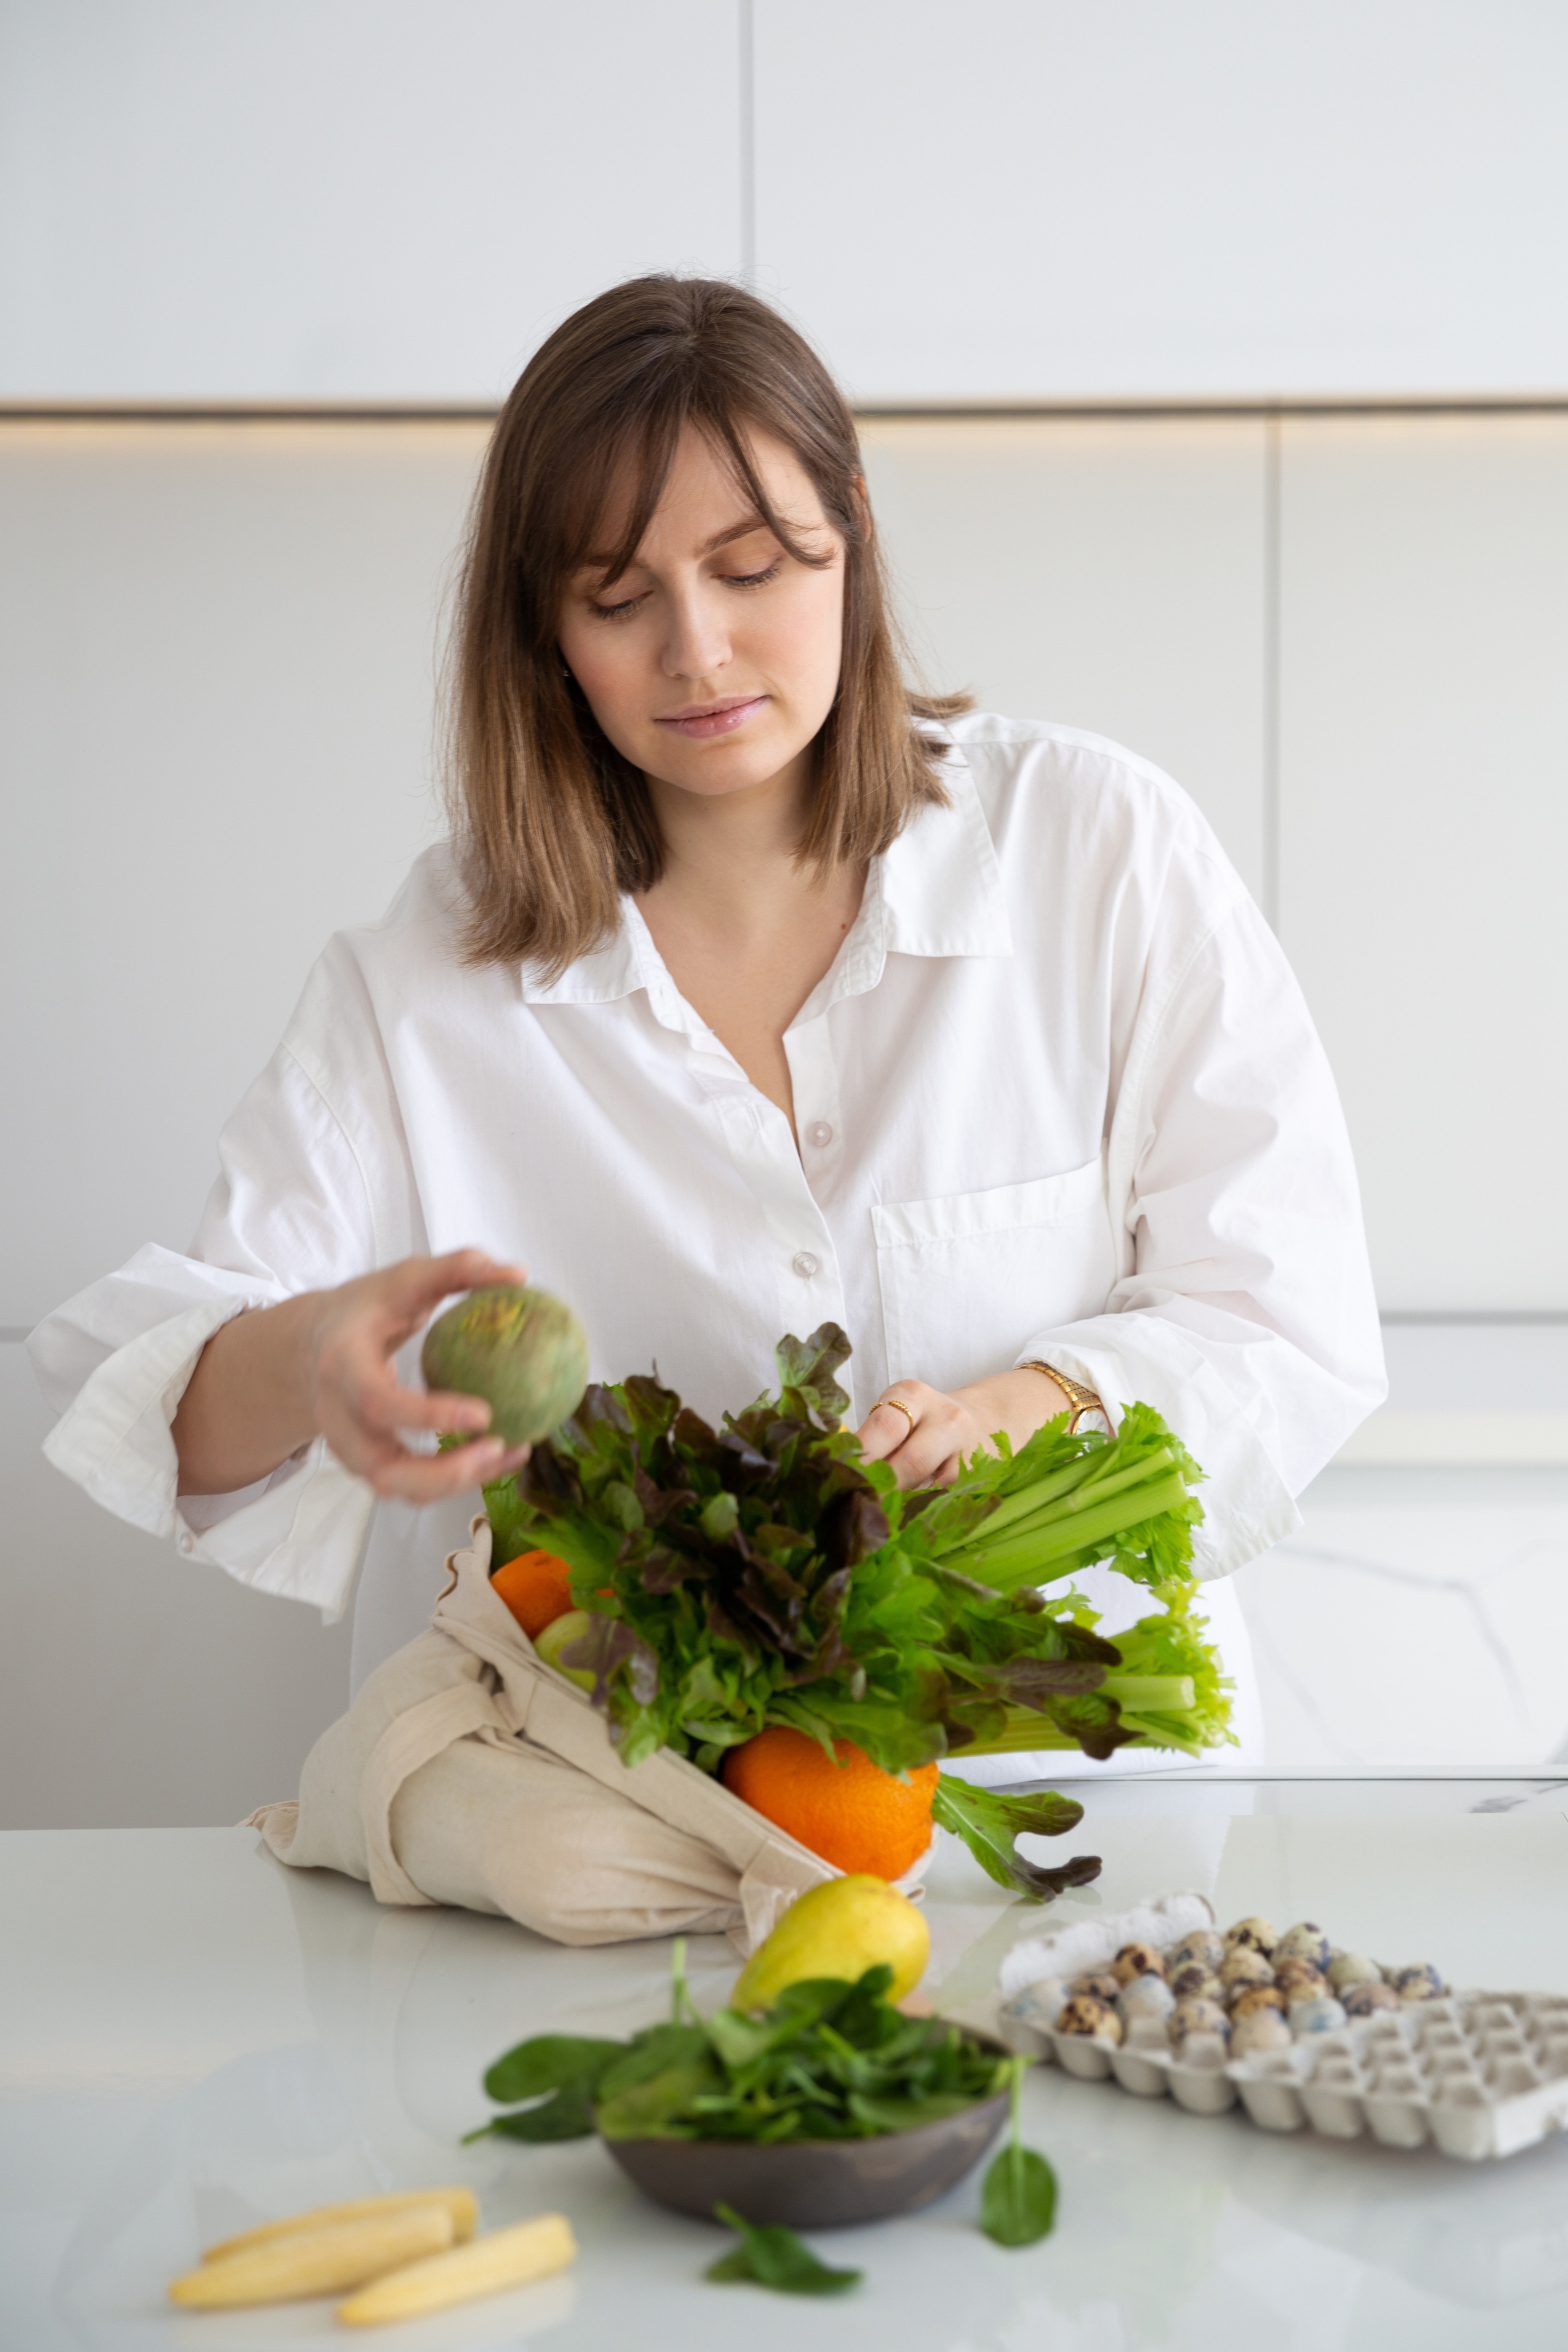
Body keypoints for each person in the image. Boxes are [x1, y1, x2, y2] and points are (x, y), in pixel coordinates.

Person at [29, 276, 1384, 1773]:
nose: (697, 650)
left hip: (1065, 1810)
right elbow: (166, 1399)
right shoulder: (422, 975)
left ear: (849, 532)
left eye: (752, 567)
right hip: (598, 1825)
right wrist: (315, 1364)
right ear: (543, 628)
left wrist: (1032, 1406)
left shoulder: (1097, 849)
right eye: (618, 597)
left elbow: (1281, 1310)